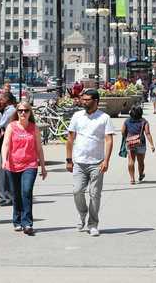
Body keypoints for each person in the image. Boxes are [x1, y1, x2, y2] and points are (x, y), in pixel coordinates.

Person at [66, 88, 115, 237]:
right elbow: (70, 138)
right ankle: (82, 214)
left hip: (97, 162)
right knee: (77, 191)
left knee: (95, 194)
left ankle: (93, 224)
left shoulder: (104, 118)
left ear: (96, 102)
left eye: (87, 100)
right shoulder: (77, 116)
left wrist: (106, 160)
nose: (84, 102)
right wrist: (69, 160)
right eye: (83, 99)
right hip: (79, 162)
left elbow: (108, 140)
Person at [2, 102, 47, 235]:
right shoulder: (11, 127)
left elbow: (39, 148)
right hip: (13, 165)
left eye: (26, 110)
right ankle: (17, 221)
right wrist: (4, 160)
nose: (23, 113)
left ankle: (27, 223)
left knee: (26, 191)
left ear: (30, 112)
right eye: (20, 110)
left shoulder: (34, 128)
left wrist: (43, 167)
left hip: (30, 165)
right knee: (16, 194)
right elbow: (5, 145)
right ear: (17, 112)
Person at [121, 105, 155, 184]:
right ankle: (140, 174)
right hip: (141, 143)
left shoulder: (127, 121)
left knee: (131, 160)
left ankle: (132, 179)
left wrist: (127, 137)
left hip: (130, 142)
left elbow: (122, 131)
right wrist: (152, 145)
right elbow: (147, 133)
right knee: (141, 161)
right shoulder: (144, 121)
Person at [0, 92, 17, 207]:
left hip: (6, 141)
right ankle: (5, 195)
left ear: (7, 100)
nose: (0, 101)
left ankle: (7, 196)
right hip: (6, 141)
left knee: (4, 169)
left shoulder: (10, 111)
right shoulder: (8, 110)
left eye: (1, 99)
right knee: (4, 170)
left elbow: (1, 125)